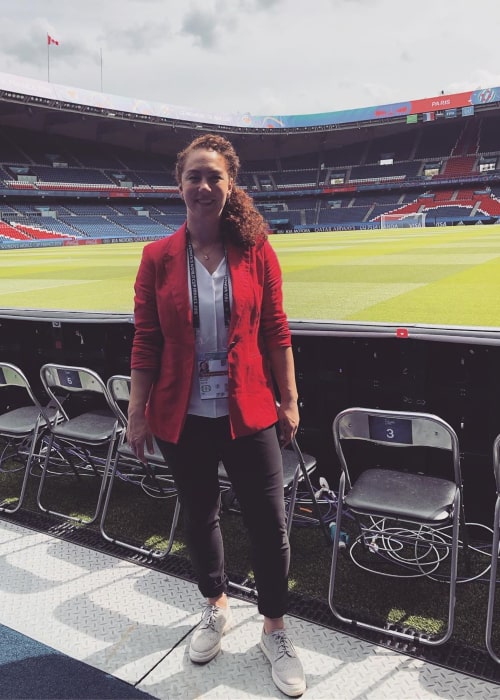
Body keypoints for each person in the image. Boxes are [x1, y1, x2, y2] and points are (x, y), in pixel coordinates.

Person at [127, 133, 306, 697]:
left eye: (215, 177)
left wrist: (290, 399)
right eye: (194, 176)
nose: (204, 186)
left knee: (269, 523)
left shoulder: (256, 251)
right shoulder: (156, 257)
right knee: (199, 517)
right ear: (179, 184)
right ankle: (216, 607)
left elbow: (277, 331)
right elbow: (145, 340)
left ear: (230, 187)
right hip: (180, 415)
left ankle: (274, 628)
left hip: (249, 410)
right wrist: (136, 413)